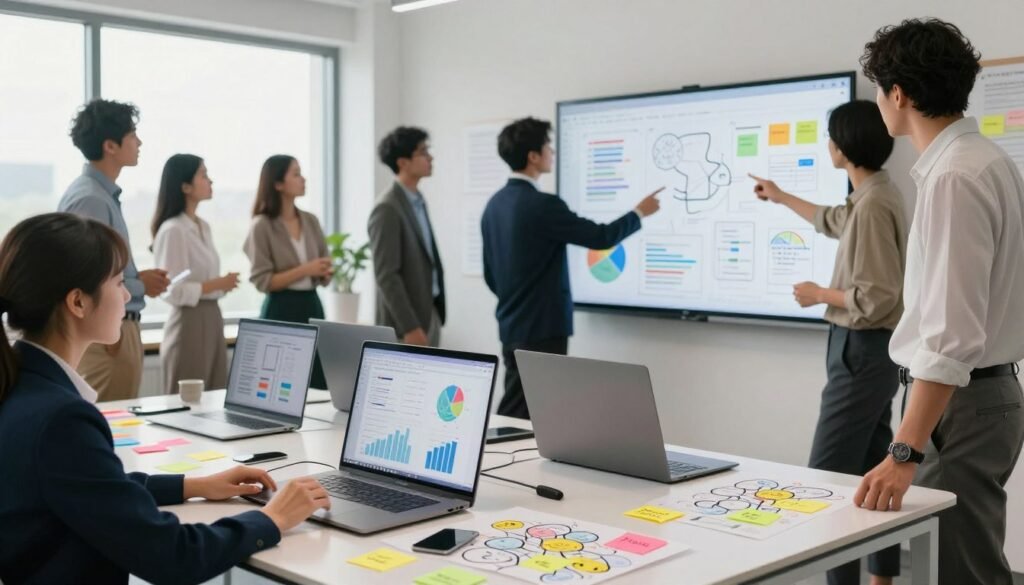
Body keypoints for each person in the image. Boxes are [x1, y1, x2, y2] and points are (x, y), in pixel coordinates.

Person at [0, 213, 331, 584]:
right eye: (117, 282)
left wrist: (194, 485)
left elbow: (94, 487)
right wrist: (271, 519)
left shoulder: (22, 385)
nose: (127, 295)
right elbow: (174, 555)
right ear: (78, 302)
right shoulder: (62, 419)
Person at [854, 18, 1024, 585]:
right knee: (963, 560)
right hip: (980, 396)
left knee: (964, 570)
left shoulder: (954, 176)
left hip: (964, 402)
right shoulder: (986, 161)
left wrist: (904, 452)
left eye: (879, 89)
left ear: (897, 94)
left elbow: (952, 335)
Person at [750, 100, 907, 585]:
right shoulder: (873, 194)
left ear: (843, 146)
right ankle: (881, 579)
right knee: (867, 473)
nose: (827, 145)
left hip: (862, 350)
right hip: (867, 351)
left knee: (825, 477)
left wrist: (819, 292)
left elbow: (878, 297)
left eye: (829, 137)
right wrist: (779, 196)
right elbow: (832, 220)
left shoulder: (876, 202)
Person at [481, 117, 662, 419]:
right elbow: (601, 237)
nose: (552, 152)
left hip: (512, 324)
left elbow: (491, 274)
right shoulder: (542, 205)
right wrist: (639, 212)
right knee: (527, 409)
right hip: (543, 328)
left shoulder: (495, 205)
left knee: (525, 404)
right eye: (548, 146)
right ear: (533, 156)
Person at [57, 98, 170, 401]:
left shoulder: (102, 196)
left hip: (116, 329)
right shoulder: (91, 199)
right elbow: (85, 278)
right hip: (107, 334)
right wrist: (139, 284)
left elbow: (105, 268)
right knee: (107, 429)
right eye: (133, 135)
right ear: (111, 145)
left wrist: (138, 281)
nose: (139, 142)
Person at [152, 154, 240, 395]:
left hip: (212, 317)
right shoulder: (173, 230)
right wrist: (215, 284)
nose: (210, 181)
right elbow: (173, 290)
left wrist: (221, 285)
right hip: (188, 322)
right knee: (188, 401)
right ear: (185, 186)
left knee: (214, 395)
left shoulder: (203, 226)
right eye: (203, 175)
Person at [244, 155, 331, 389]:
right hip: (281, 309)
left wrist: (323, 272)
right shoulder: (262, 226)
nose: (303, 179)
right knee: (279, 382)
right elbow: (263, 281)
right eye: (296, 174)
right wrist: (306, 269)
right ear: (278, 183)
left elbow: (324, 264)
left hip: (312, 305)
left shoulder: (311, 221)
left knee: (317, 381)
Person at [368, 126, 446, 347]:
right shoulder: (387, 208)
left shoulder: (417, 201)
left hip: (429, 313)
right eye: (423, 152)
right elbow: (386, 275)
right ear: (403, 162)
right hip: (406, 325)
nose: (430, 158)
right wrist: (410, 327)